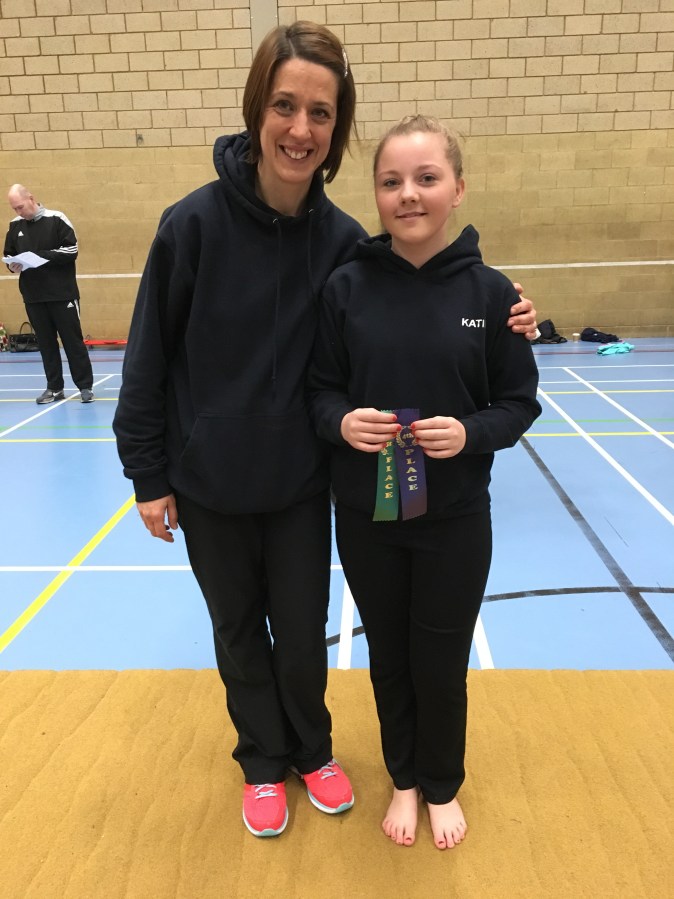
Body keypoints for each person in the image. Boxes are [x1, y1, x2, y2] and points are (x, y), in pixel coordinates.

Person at [112, 23, 538, 839]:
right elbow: (148, 358)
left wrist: (503, 304)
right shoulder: (189, 226)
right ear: (257, 109)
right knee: (238, 630)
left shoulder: (345, 243)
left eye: (320, 112)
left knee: (305, 634)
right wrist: (149, 474)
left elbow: (420, 284)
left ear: (337, 129)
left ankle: (312, 749)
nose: (300, 129)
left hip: (304, 484)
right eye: (284, 106)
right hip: (209, 481)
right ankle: (262, 758)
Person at [308, 114, 542, 850]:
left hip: (456, 518)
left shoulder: (493, 294)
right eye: (391, 181)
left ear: (457, 189)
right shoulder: (345, 288)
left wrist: (471, 433)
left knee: (440, 662)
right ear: (376, 194)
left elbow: (518, 403)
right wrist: (342, 421)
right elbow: (319, 391)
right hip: (368, 515)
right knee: (390, 658)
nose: (408, 193)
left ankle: (441, 783)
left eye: (426, 178)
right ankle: (403, 777)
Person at [4, 185, 94, 404]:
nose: (18, 212)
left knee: (72, 342)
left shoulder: (57, 219)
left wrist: (40, 256)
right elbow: (9, 254)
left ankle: (85, 387)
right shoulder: (15, 226)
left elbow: (71, 250)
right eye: (14, 209)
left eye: (20, 207)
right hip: (34, 296)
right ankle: (54, 388)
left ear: (31, 198)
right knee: (46, 344)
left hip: (62, 294)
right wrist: (12, 265)